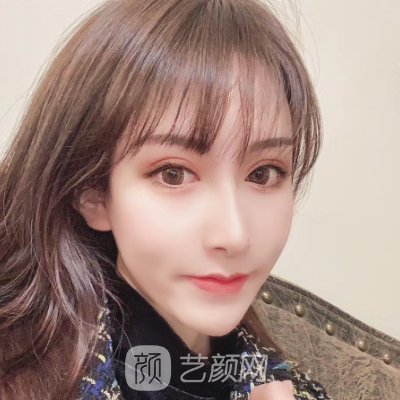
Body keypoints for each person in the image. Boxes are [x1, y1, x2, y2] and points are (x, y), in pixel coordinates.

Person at [0, 0, 331, 399]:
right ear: (93, 194)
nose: (234, 235)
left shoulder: (281, 382)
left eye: (263, 173)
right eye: (173, 174)